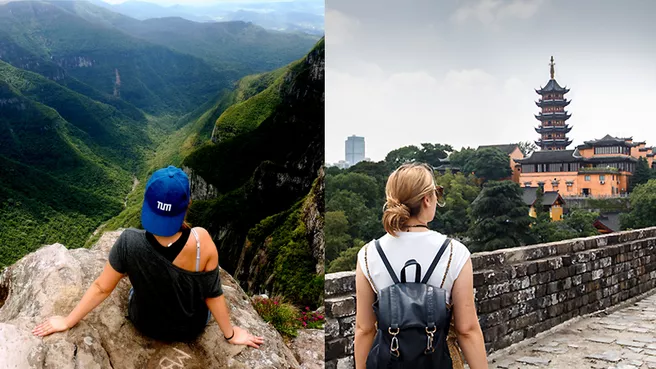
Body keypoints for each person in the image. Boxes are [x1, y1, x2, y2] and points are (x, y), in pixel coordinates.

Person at [33, 165, 264, 349]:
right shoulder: (201, 240)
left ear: (147, 203)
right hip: (190, 327)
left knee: (132, 284)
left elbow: (102, 288)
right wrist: (231, 334)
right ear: (188, 205)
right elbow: (212, 294)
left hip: (145, 323)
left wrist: (67, 321)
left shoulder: (129, 241)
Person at [354, 162, 487, 369]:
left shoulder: (369, 254)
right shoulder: (454, 252)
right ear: (427, 199)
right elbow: (467, 329)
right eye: (436, 193)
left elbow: (364, 329)